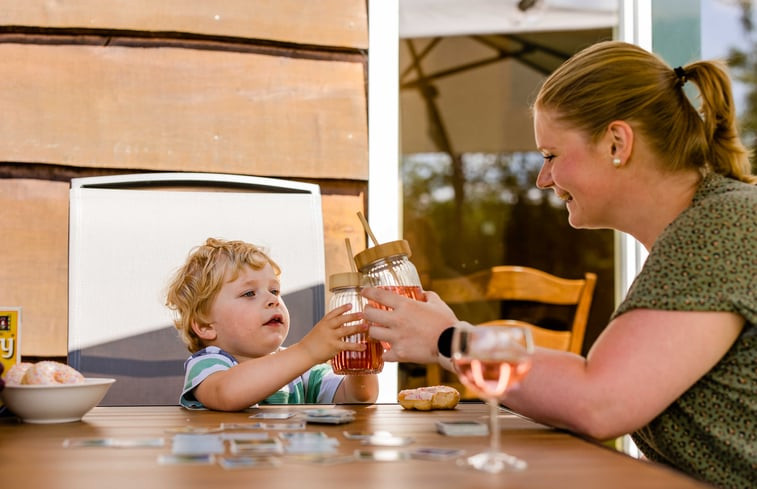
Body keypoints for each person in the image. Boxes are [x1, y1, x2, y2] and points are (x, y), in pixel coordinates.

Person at [362, 41, 756, 489]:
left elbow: (599, 400)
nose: (542, 178)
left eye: (550, 155)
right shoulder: (703, 229)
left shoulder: (719, 228)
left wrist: (447, 340)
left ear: (617, 142)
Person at [166, 237, 378, 411]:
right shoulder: (207, 366)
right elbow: (227, 394)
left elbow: (358, 398)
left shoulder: (300, 371)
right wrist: (308, 351)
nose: (273, 299)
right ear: (205, 326)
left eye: (275, 290)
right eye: (249, 293)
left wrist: (360, 355)